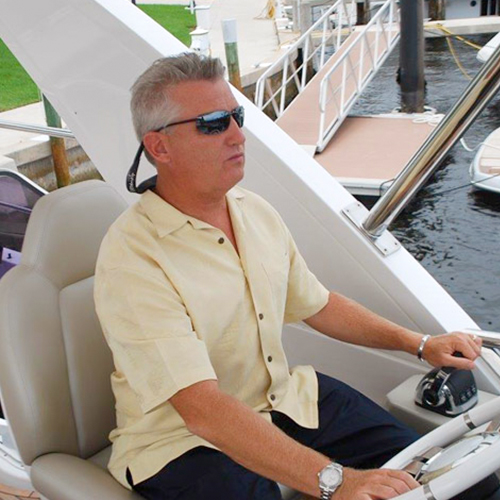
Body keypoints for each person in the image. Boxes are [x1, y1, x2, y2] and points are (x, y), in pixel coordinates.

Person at [94, 52, 493, 500]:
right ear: (159, 147)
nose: (237, 135)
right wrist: (337, 481)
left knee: (451, 473)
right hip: (180, 444)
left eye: (236, 116)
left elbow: (318, 304)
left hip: (285, 399)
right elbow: (201, 410)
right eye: (212, 123)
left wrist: (419, 344)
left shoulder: (254, 211)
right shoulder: (132, 258)